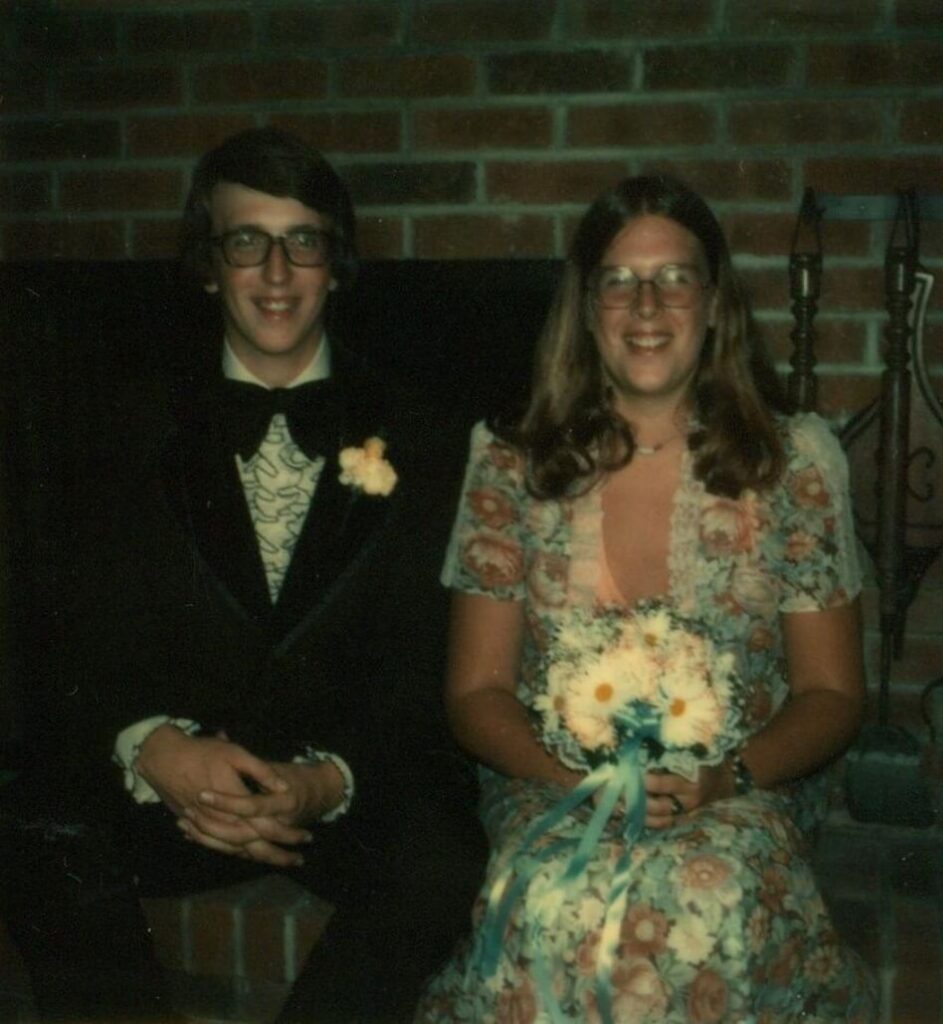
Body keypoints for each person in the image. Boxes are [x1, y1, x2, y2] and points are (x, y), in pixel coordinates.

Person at [0, 127, 485, 1023]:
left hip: (335, 794)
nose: (274, 271)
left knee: (445, 858)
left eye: (302, 242)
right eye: (245, 241)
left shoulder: (429, 433)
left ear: (335, 266)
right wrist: (157, 747)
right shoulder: (121, 422)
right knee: (31, 838)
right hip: (169, 790)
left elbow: (430, 650)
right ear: (208, 266)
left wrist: (324, 780)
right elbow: (75, 627)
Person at [416, 174, 878, 1022]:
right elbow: (475, 692)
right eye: (619, 281)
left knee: (700, 894)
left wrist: (719, 779)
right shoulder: (510, 459)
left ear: (714, 304)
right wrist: (568, 779)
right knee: (562, 897)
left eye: (673, 277)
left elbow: (831, 694)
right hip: (550, 777)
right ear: (586, 309)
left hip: (744, 780)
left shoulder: (795, 459)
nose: (646, 305)